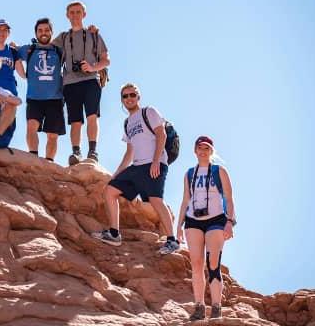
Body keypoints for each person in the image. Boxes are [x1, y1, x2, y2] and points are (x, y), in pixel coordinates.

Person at [91, 83, 179, 255]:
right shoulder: (127, 123)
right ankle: (114, 234)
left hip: (155, 163)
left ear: (138, 97)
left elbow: (161, 135)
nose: (129, 98)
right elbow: (129, 152)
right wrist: (117, 174)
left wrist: (155, 162)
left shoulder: (149, 112)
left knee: (155, 200)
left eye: (132, 95)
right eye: (125, 96)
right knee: (110, 191)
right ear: (122, 100)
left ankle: (172, 240)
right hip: (137, 166)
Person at [175, 136, 236, 320]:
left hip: (216, 220)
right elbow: (186, 200)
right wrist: (178, 226)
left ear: (211, 151)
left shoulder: (219, 171)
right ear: (195, 151)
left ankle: (216, 307)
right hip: (193, 220)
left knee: (213, 263)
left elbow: (228, 198)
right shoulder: (189, 173)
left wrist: (229, 221)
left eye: (207, 148)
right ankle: (199, 306)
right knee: (196, 263)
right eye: (200, 148)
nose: (203, 151)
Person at [52, 1, 110, 165]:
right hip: (70, 82)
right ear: (67, 15)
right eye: (72, 12)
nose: (75, 15)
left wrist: (92, 67)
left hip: (91, 80)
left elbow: (106, 60)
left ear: (84, 14)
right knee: (75, 120)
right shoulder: (63, 37)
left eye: (78, 12)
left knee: (92, 116)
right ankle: (76, 153)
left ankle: (92, 151)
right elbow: (46, 47)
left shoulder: (94, 35)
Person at [15, 18, 65, 161]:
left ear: (51, 32)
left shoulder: (59, 50)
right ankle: (33, 157)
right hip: (34, 97)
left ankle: (49, 162)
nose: (43, 33)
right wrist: (23, 74)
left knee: (53, 134)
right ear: (36, 33)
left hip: (55, 98)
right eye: (40, 30)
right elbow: (12, 54)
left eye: (46, 30)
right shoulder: (29, 50)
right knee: (31, 127)